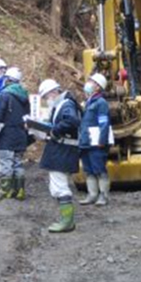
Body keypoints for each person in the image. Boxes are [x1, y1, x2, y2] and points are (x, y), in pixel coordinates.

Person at [37, 79, 81, 232]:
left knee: (60, 187)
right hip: (62, 150)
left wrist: (55, 130)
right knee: (57, 186)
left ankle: (67, 222)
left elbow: (72, 121)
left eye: (46, 96)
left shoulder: (66, 104)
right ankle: (66, 220)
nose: (46, 99)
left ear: (53, 92)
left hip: (62, 151)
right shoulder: (64, 104)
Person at [0, 67, 30, 201]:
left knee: (5, 162)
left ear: (7, 79)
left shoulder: (5, 94)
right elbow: (28, 116)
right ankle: (19, 190)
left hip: (6, 134)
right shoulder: (24, 95)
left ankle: (6, 190)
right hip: (21, 133)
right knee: (18, 162)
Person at [79, 73, 112, 206]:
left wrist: (101, 140)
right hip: (86, 141)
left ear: (98, 87)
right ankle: (92, 194)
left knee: (99, 169)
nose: (88, 83)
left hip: (96, 143)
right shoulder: (88, 102)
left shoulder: (101, 103)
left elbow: (104, 123)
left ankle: (103, 196)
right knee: (88, 169)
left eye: (91, 81)